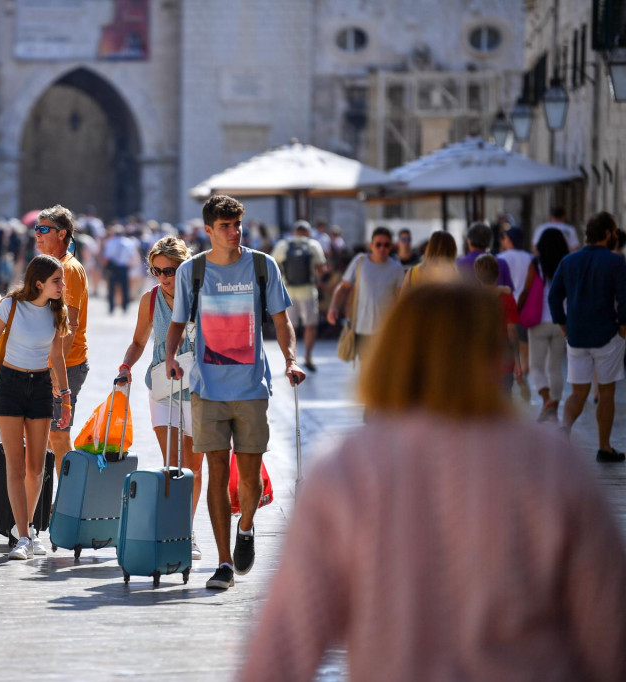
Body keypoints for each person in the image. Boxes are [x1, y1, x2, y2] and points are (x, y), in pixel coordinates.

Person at [240, 283, 626, 681]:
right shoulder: (552, 463)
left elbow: (279, 654)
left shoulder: (346, 471)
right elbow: (610, 630)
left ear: (391, 355)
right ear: (494, 356)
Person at [165, 195, 306, 591]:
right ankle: (224, 562)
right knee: (215, 473)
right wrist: (172, 355)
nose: (234, 232)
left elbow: (282, 321)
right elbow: (177, 324)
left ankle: (246, 527)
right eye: (225, 226)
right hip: (207, 387)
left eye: (237, 224)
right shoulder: (191, 272)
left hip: (250, 387)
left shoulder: (263, 266)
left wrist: (290, 360)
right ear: (208, 230)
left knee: (249, 477)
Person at [0, 255, 72, 560]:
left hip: (40, 387)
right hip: (10, 385)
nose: (62, 286)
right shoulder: (11, 305)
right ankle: (24, 537)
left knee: (37, 468)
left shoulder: (57, 311)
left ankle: (23, 527)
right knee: (14, 464)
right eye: (57, 280)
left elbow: (57, 356)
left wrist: (64, 396)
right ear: (38, 282)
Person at [116, 236, 204, 560]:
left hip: (199, 390)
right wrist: (126, 365)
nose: (165, 277)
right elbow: (139, 341)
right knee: (174, 461)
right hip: (163, 389)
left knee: (194, 463)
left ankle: (187, 530)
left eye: (172, 270)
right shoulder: (150, 301)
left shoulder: (202, 296)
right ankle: (175, 530)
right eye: (159, 271)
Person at [549, 212, 626, 462]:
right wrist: (623, 326)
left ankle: (564, 431)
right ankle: (604, 447)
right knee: (606, 391)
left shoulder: (569, 261)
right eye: (614, 231)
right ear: (607, 234)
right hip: (606, 333)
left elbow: (554, 296)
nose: (615, 236)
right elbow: (624, 296)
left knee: (578, 391)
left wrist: (562, 323)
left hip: (577, 335)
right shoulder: (615, 262)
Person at [33, 205, 89, 475]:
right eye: (36, 229)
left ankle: (69, 501)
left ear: (62, 233)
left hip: (66, 364)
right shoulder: (51, 267)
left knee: (58, 436)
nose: (38, 235)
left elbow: (71, 325)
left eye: (44, 229)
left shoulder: (69, 269)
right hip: (48, 364)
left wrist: (58, 371)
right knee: (47, 437)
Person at [327, 227, 405, 362]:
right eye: (378, 244)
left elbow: (401, 297)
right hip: (362, 328)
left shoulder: (396, 268)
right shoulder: (360, 261)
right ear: (371, 245)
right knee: (366, 370)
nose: (382, 248)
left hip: (386, 330)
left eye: (386, 245)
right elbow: (343, 287)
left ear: (391, 246)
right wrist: (333, 307)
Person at [518, 228, 570, 423]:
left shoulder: (536, 264)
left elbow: (526, 289)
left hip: (539, 321)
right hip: (561, 321)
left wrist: (518, 309)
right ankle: (553, 411)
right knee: (556, 368)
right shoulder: (567, 263)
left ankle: (547, 400)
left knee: (535, 366)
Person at [271, 220, 328, 371]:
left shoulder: (283, 244)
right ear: (308, 232)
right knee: (311, 325)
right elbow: (322, 267)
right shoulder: (313, 245)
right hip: (308, 290)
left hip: (288, 290)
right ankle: (308, 356)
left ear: (294, 231)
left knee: (289, 326)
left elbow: (273, 264)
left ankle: (290, 361)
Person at [474, 254, 522, 394]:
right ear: (497, 273)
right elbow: (512, 331)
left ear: (477, 275)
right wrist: (517, 361)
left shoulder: (472, 299)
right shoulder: (507, 298)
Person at [498, 226, 535, 400]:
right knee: (526, 344)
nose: (503, 240)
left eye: (505, 238)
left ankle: (519, 371)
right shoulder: (531, 258)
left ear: (510, 239)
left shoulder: (501, 258)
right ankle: (524, 369)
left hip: (512, 303)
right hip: (529, 306)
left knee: (514, 339)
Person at [456, 222, 514, 289]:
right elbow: (509, 290)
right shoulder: (501, 263)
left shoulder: (458, 264)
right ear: (490, 242)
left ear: (469, 241)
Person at [102, 224, 136, 314]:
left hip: (113, 267)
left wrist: (105, 268)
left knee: (111, 288)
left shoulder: (110, 242)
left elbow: (106, 257)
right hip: (123, 267)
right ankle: (125, 307)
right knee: (125, 287)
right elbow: (131, 257)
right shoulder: (129, 242)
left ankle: (111, 307)